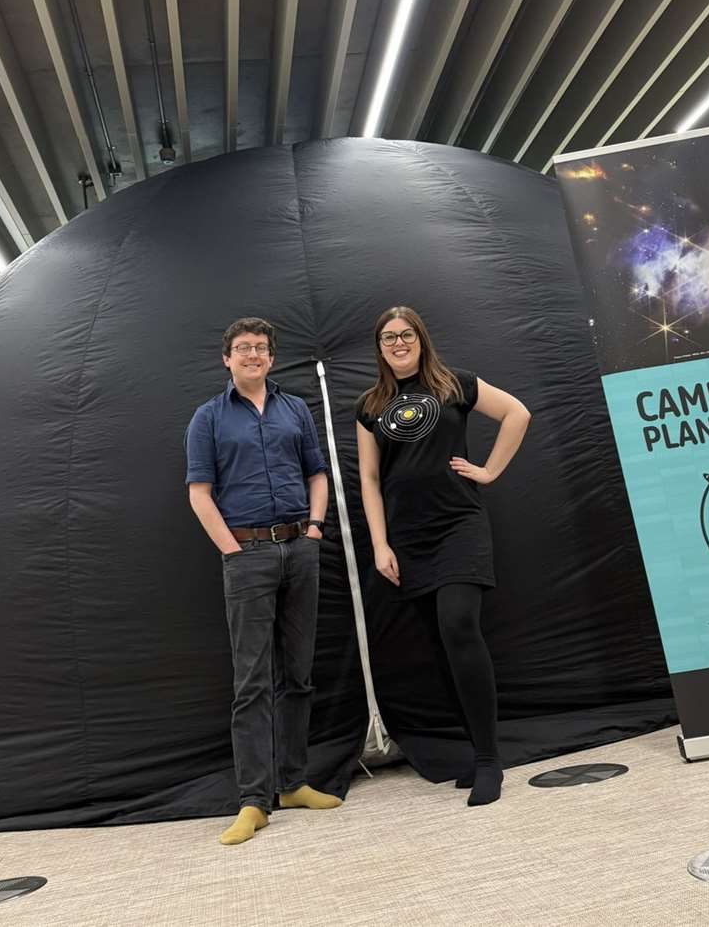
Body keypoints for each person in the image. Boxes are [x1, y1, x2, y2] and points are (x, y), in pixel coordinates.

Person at [355, 305, 531, 807]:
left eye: (406, 334)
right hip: (407, 537)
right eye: (388, 337)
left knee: (458, 625)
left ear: (420, 338)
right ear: (380, 347)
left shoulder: (455, 383)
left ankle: (488, 761)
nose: (398, 343)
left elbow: (517, 413)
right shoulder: (370, 405)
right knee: (438, 646)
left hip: (458, 525)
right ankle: (476, 751)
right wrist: (380, 543)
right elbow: (368, 477)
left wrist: (490, 471)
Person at [186, 317, 343, 846]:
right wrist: (232, 549)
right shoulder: (207, 419)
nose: (252, 354)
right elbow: (199, 493)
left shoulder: (295, 409)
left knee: (298, 674)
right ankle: (254, 801)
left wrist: (316, 528)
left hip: (301, 548)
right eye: (242, 348)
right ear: (226, 358)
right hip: (246, 554)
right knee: (252, 682)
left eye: (260, 348)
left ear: (271, 358)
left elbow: (316, 473)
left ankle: (293, 782)